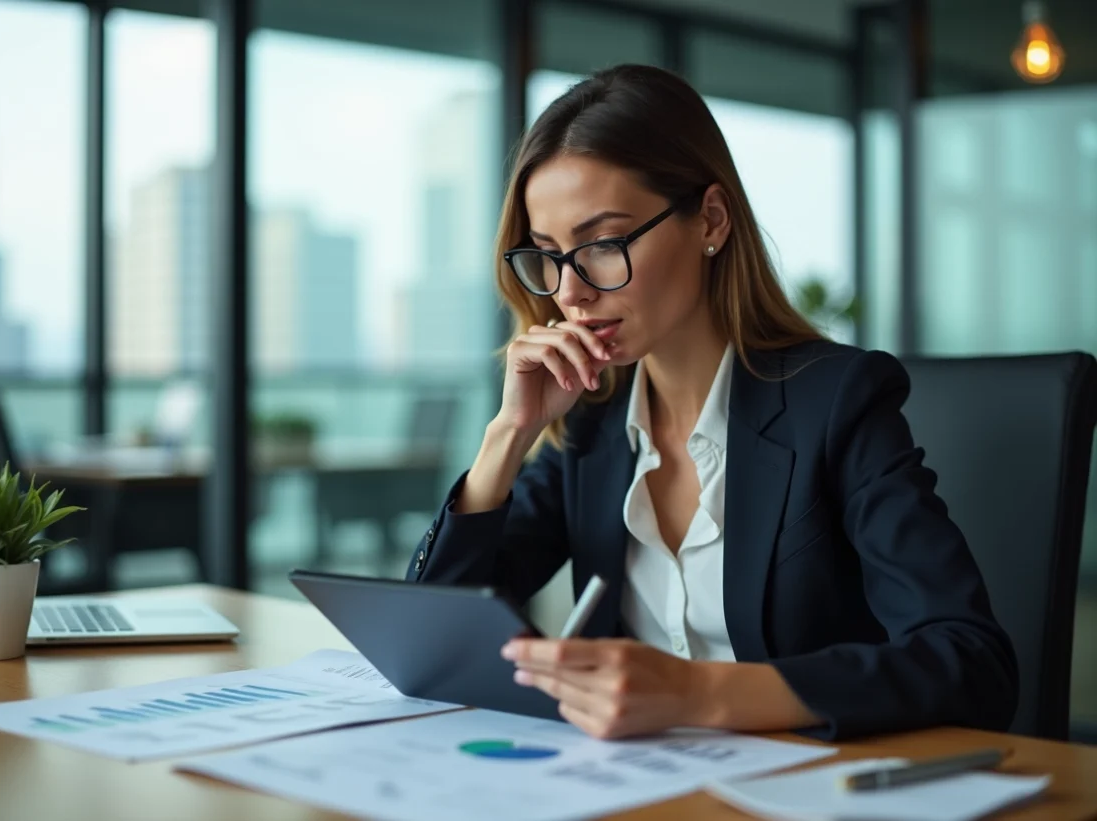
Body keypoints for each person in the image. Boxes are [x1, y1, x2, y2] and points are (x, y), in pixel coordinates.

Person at [407, 64, 1017, 741]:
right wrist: (508, 435)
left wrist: (697, 692)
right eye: (549, 255)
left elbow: (972, 662)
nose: (571, 292)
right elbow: (429, 642)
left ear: (711, 220)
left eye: (602, 245)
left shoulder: (835, 403)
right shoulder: (592, 421)